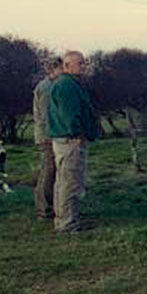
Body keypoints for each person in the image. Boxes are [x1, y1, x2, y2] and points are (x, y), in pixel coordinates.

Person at [45, 50, 102, 234]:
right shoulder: (66, 85)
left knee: (64, 181)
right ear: (67, 65)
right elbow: (70, 115)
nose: (83, 66)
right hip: (70, 141)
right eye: (80, 63)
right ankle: (67, 224)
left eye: (84, 63)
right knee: (70, 183)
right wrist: (78, 134)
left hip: (66, 139)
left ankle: (65, 219)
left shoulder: (69, 83)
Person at [31, 55, 63, 223]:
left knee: (53, 171)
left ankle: (51, 206)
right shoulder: (46, 88)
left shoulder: (53, 86)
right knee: (48, 171)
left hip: (51, 134)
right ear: (52, 70)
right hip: (47, 136)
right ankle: (43, 209)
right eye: (61, 68)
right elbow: (46, 115)